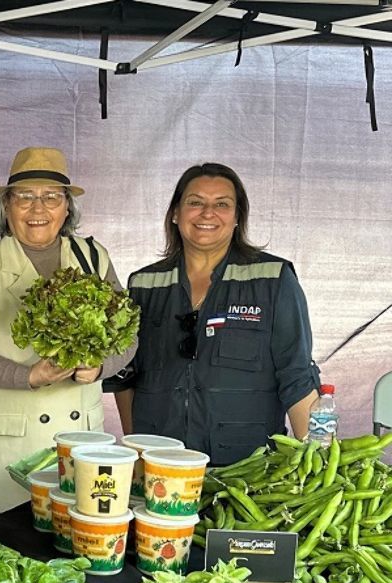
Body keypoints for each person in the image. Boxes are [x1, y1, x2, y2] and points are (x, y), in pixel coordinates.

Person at [0, 147, 135, 513]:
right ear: (6, 208)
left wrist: (100, 368)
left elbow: (126, 335)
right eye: (25, 198)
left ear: (67, 208)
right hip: (7, 439)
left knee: (75, 544)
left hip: (77, 435)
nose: (38, 209)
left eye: (51, 197)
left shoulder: (94, 257)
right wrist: (28, 375)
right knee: (2, 550)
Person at [111, 163, 318, 465]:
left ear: (237, 218)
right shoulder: (143, 284)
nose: (208, 213)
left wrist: (315, 469)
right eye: (195, 202)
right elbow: (124, 377)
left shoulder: (273, 279)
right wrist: (138, 453)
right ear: (175, 213)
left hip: (246, 470)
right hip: (161, 465)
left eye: (222, 204)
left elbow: (297, 377)